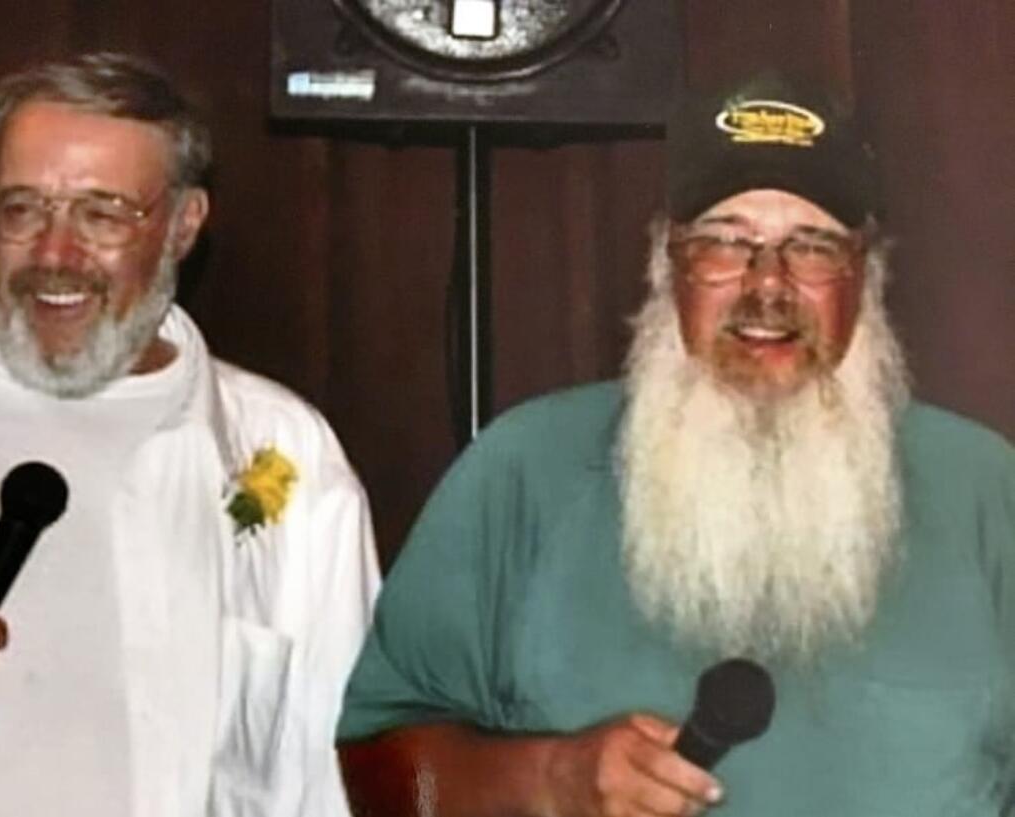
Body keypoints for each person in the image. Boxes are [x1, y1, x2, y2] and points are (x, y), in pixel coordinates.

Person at [336, 70, 1015, 816]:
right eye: (725, 243)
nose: (767, 286)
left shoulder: (985, 490)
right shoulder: (525, 471)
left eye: (812, 247)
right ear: (667, 264)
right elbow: (383, 781)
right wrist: (550, 778)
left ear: (867, 274)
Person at [0, 52, 379, 817]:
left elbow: (336, 769)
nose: (54, 255)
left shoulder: (284, 456)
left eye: (101, 214)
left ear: (183, 225)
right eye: (22, 208)